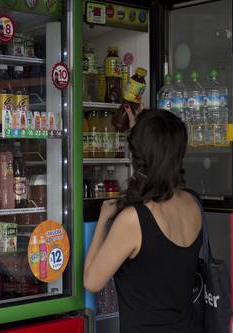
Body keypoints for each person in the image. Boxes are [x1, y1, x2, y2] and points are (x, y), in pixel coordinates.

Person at [84, 107, 203, 333]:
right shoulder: (193, 202)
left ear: (140, 157)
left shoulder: (134, 221)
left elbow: (92, 281)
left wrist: (102, 221)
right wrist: (139, 134)